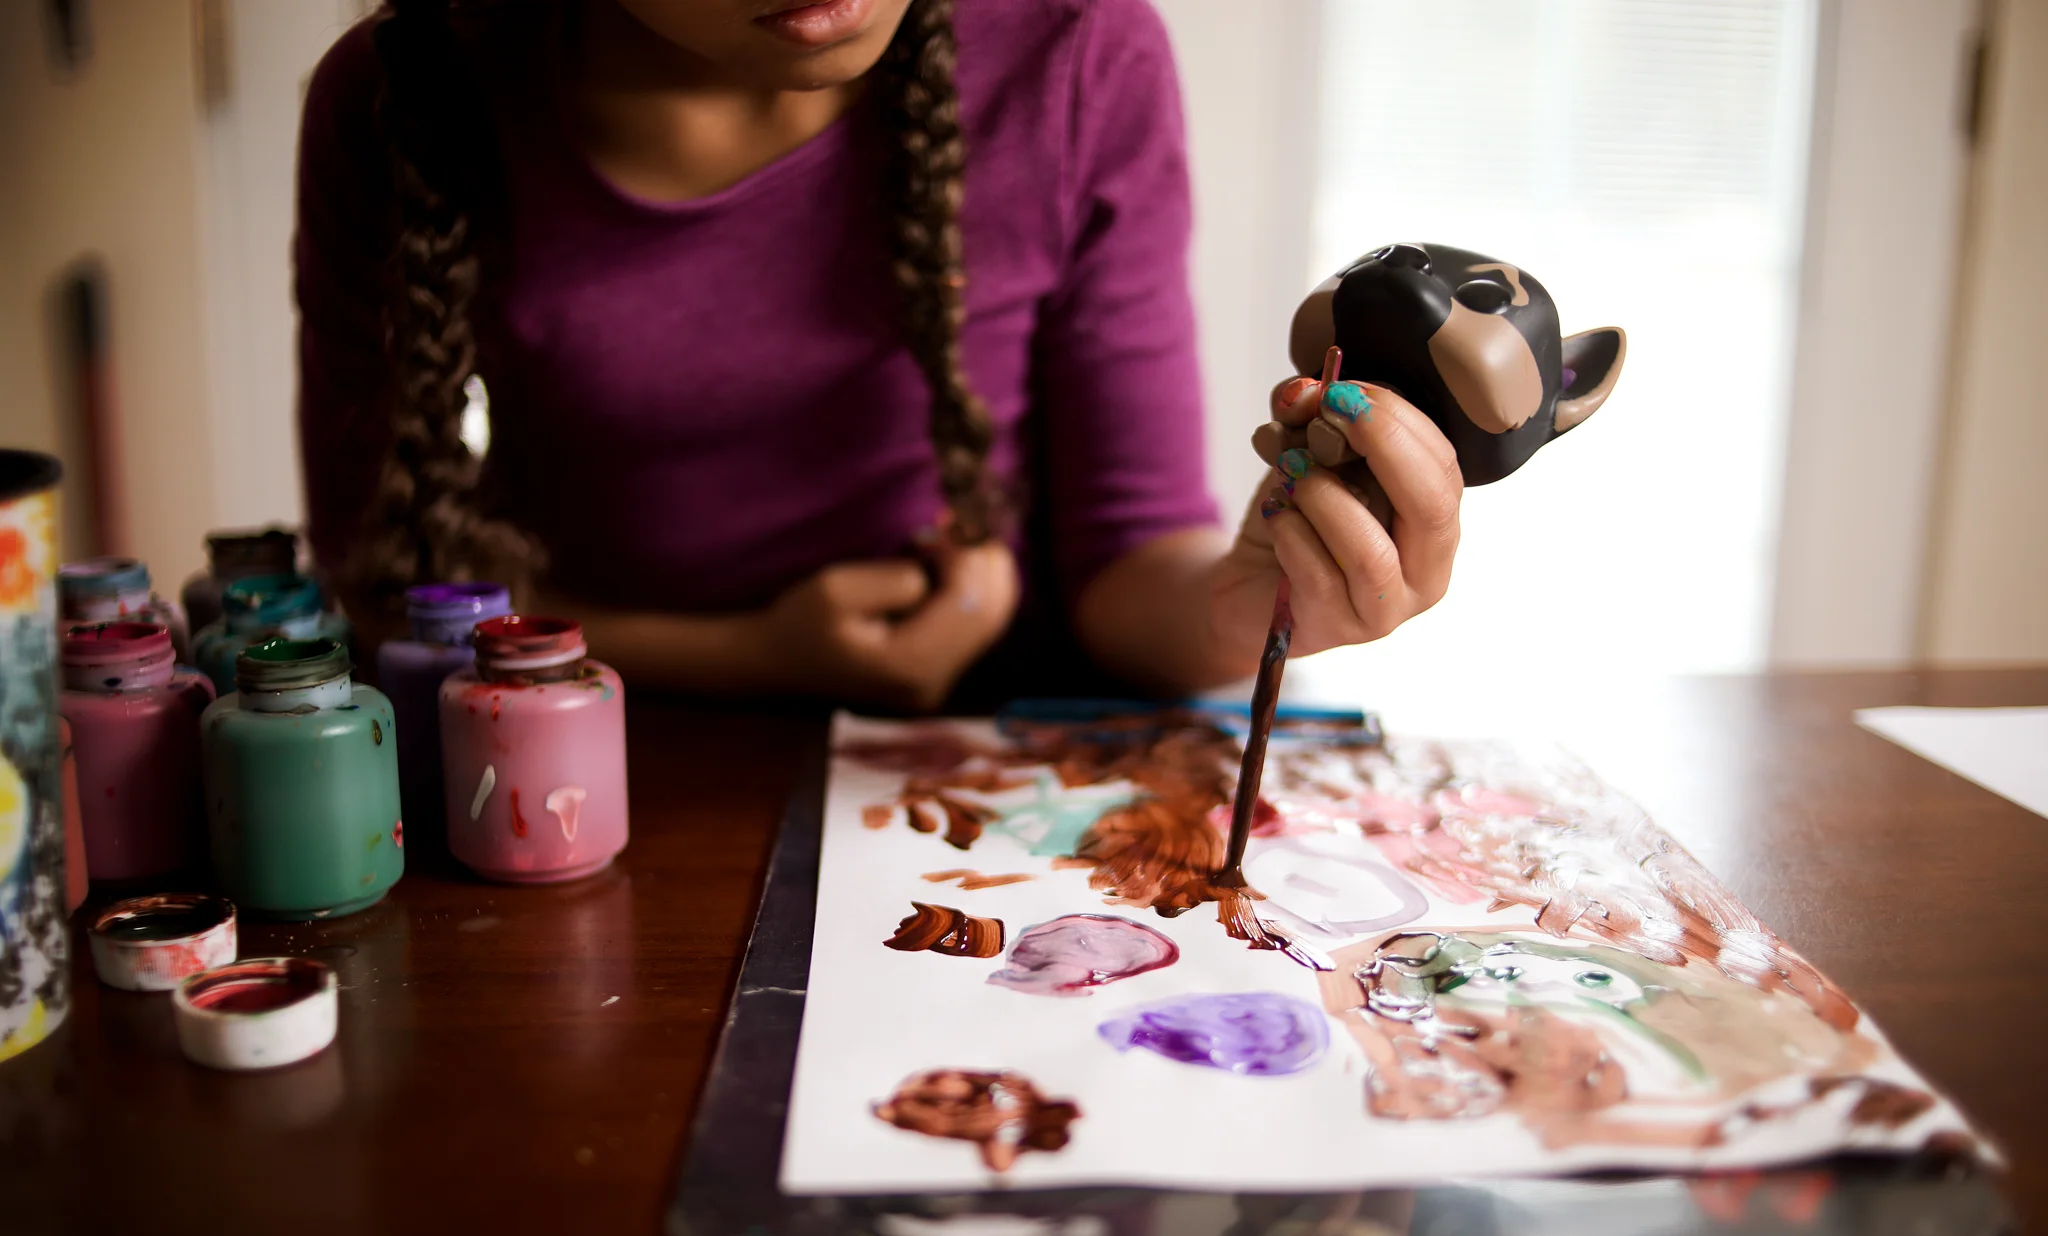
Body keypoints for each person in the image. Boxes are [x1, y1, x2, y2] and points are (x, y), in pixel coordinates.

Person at [296, 0, 1464, 710]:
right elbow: (388, 584)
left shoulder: (1075, 55)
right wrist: (756, 659)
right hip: (584, 763)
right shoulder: (404, 97)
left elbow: (1129, 570)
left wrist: (1248, 604)